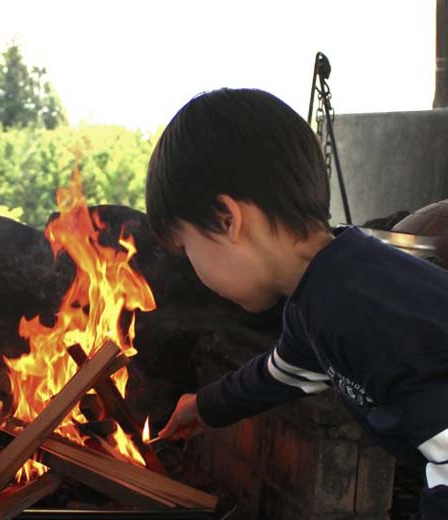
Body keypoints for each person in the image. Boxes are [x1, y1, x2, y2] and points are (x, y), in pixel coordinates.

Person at [145, 88, 448, 518]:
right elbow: (279, 374)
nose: (194, 271)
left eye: (187, 249)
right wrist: (206, 406)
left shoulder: (361, 308)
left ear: (227, 219)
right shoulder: (324, 292)